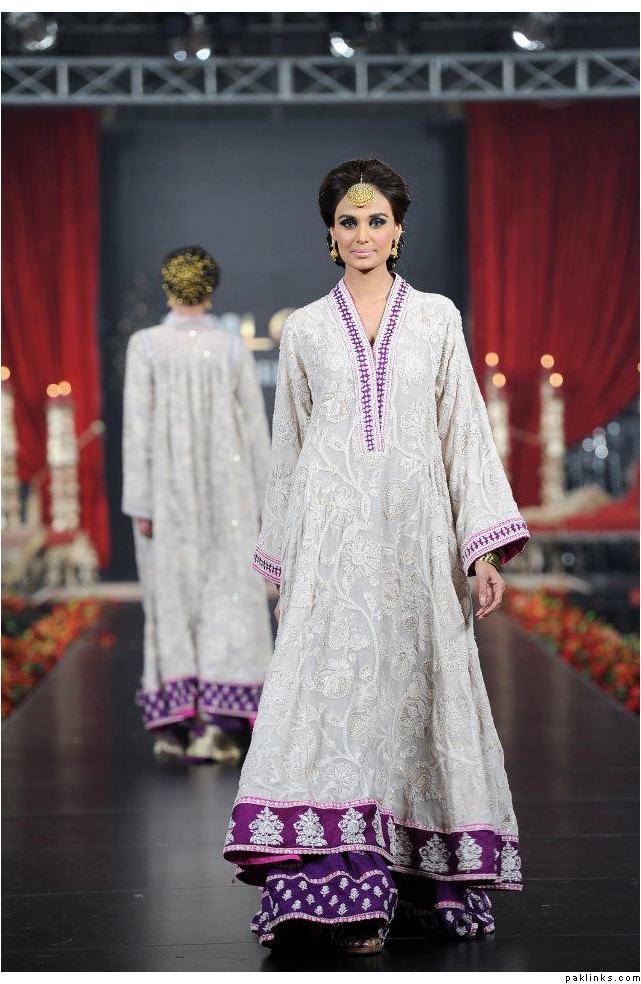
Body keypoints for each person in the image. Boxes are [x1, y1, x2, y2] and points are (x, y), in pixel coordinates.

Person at [222, 159, 530, 953]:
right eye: (348, 222)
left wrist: (480, 550)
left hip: (417, 549)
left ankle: (419, 884)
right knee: (330, 705)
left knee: (414, 702)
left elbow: (463, 431)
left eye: (376, 221)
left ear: (398, 230)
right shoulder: (304, 330)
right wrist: (283, 561)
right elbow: (289, 450)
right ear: (330, 234)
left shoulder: (435, 319)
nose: (363, 235)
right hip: (330, 549)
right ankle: (338, 891)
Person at [122, 246, 273, 764]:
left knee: (174, 595)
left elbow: (136, 428)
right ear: (211, 289)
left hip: (167, 496)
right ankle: (221, 723)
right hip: (230, 491)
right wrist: (266, 500)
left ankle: (180, 724)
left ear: (168, 287)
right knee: (228, 593)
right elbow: (254, 428)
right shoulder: (229, 347)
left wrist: (141, 502)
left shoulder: (147, 345)